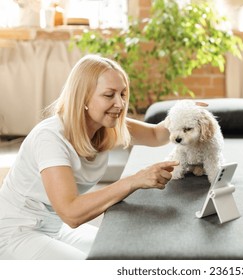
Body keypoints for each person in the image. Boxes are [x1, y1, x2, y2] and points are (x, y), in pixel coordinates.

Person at [0, 54, 178, 260]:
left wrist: (185, 112)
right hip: (16, 232)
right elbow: (71, 213)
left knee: (127, 253)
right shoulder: (50, 138)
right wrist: (134, 180)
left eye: (122, 94)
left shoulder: (107, 125)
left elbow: (157, 135)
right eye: (109, 95)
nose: (120, 104)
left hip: (56, 226)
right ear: (83, 97)